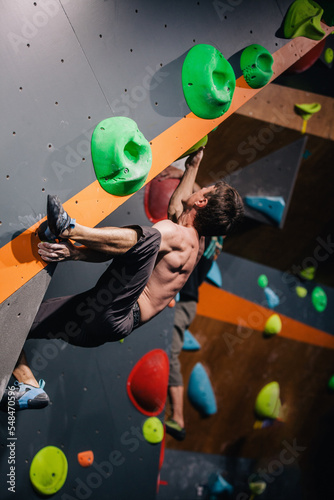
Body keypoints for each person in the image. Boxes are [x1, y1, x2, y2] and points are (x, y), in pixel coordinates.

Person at [0, 148, 244, 411]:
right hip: (101, 316)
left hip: (116, 312)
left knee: (148, 238)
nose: (198, 190)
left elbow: (143, 241)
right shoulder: (193, 242)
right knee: (14, 324)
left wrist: (75, 244)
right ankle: (29, 387)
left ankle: (72, 228)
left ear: (202, 202)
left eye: (203, 189)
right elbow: (175, 209)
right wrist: (193, 165)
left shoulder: (175, 236)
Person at [165, 236, 223, 441]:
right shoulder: (216, 238)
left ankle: (178, 418)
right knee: (167, 352)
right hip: (184, 299)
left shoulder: (207, 235)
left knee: (169, 352)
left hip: (183, 300)